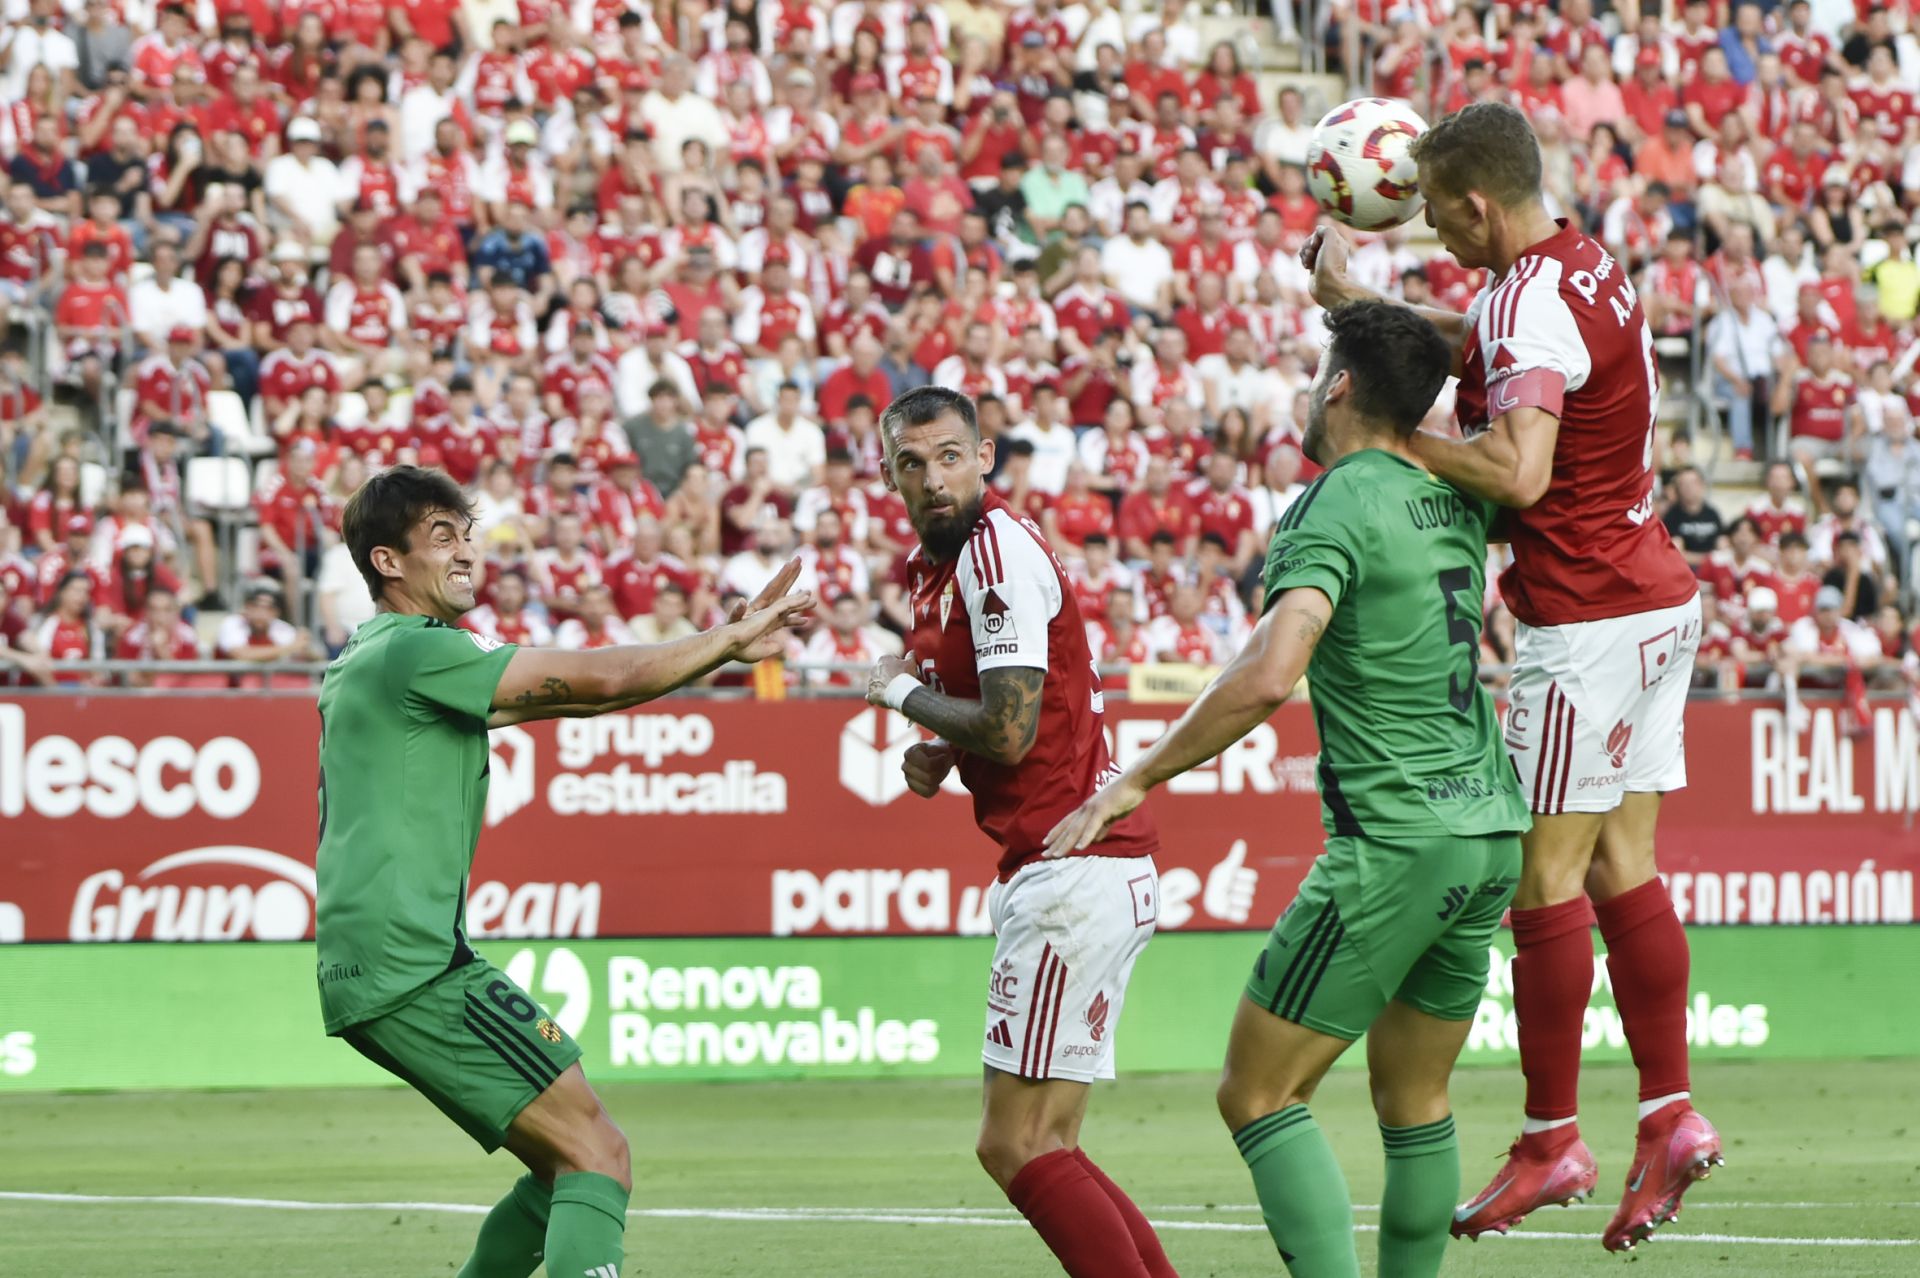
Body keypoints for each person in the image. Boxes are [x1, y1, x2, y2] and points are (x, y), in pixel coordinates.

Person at [1302, 101, 1719, 1250]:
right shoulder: (1581, 268)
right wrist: (1367, 308)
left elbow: (1517, 469)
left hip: (1583, 621)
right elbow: (1495, 334)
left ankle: (1550, 1139)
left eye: (1436, 212)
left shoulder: (1525, 299)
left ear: (1478, 203)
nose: (1432, 230)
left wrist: (1388, 440)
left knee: (1544, 886)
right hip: (1657, 601)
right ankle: (1669, 1114)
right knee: (1626, 865)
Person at [1048, 301, 1524, 1278]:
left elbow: (1271, 675)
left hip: (1396, 840)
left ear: (1340, 386)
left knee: (1256, 1094)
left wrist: (1137, 776)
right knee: (1415, 1101)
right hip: (1488, 833)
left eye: (1320, 371)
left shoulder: (1334, 502)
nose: (1312, 389)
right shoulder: (1458, 491)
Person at [316, 465, 811, 1277]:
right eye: (443, 536)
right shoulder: (416, 651)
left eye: (467, 530)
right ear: (387, 563)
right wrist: (722, 640)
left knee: (562, 1169)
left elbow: (581, 698)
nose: (468, 549)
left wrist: (713, 653)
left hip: (399, 961)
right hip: (411, 966)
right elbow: (600, 677)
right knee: (596, 1156)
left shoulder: (383, 658)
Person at [861, 386, 1176, 1278]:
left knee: (1016, 1146)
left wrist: (897, 693)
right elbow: (1005, 727)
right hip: (1094, 862)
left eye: (950, 455)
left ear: (985, 456)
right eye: (912, 462)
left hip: (1071, 868)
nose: (933, 478)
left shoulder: (993, 553)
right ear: (888, 473)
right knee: (1054, 1142)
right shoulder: (944, 566)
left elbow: (1010, 728)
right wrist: (940, 752)